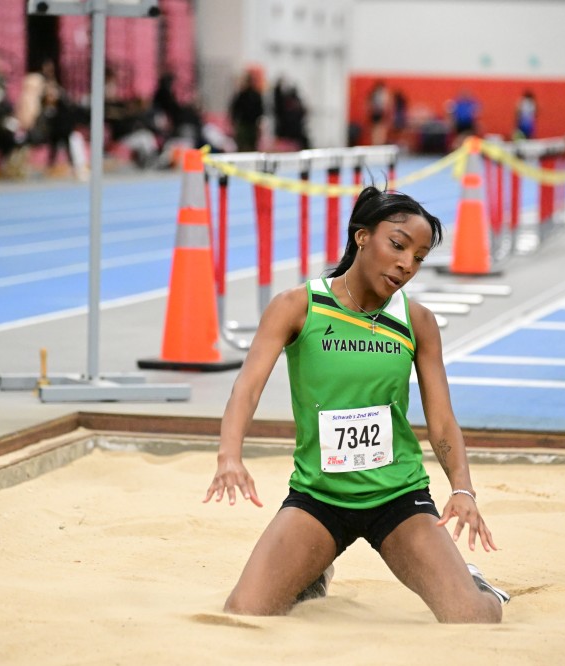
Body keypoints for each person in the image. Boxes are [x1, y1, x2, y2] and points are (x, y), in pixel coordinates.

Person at [204, 186, 509, 623]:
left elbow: (442, 421)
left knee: (473, 618)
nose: (407, 264)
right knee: (245, 612)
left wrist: (463, 490)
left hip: (398, 496)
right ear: (362, 237)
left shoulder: (417, 321)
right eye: (398, 245)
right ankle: (312, 572)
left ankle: (474, 582)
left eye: (419, 257)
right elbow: (247, 388)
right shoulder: (298, 306)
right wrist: (229, 456)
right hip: (319, 497)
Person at [229, 71, 264, 152]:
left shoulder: (256, 95)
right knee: (242, 144)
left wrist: (259, 122)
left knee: (252, 145)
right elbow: (235, 109)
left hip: (252, 124)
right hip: (243, 123)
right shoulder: (242, 95)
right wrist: (233, 121)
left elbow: (260, 110)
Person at [368, 80, 390, 145]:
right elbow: (370, 105)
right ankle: (377, 143)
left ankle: (379, 143)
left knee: (380, 129)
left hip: (380, 114)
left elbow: (386, 105)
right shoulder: (376, 94)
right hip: (376, 114)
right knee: (376, 129)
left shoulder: (382, 94)